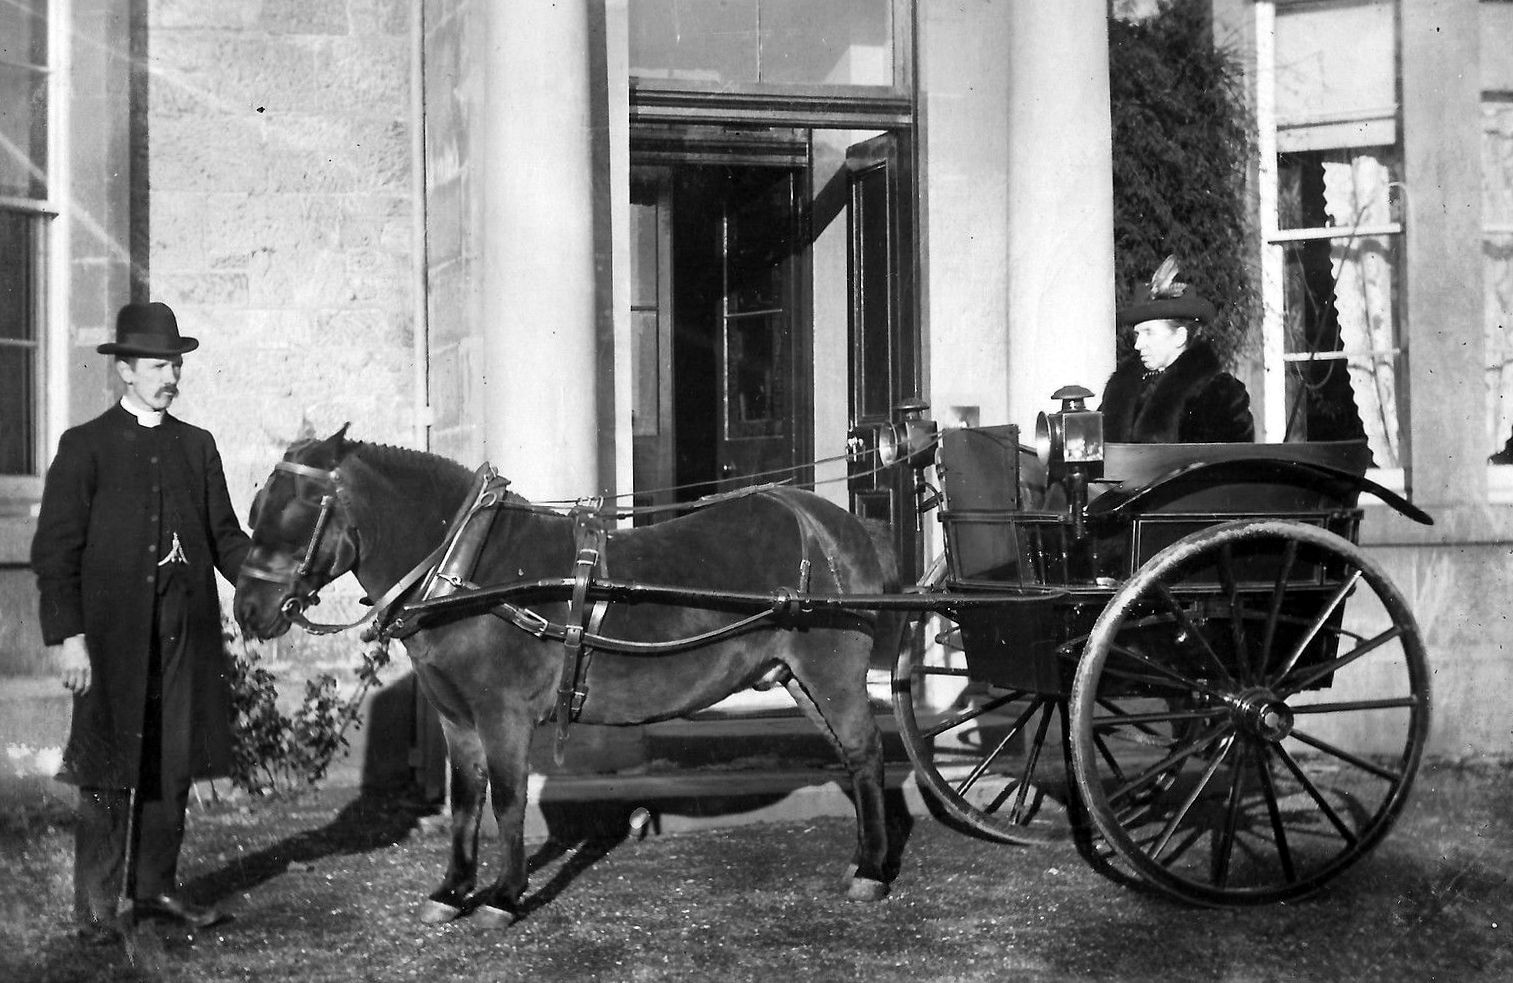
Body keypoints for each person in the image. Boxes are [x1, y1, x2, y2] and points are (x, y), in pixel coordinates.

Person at [31, 302, 251, 944]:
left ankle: (155, 891)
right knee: (105, 766)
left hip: (185, 634)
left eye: (175, 364)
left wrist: (273, 588)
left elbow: (226, 540)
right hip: (110, 639)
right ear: (124, 370)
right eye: (158, 364)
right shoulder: (85, 447)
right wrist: (69, 637)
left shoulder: (196, 446)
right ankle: (99, 909)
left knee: (171, 762)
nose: (170, 376)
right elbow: (55, 552)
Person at [1099, 259, 1255, 443]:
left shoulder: (1218, 394)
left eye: (1149, 332)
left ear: (1180, 337)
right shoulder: (1119, 390)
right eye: (1137, 334)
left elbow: (1230, 466)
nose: (1138, 344)